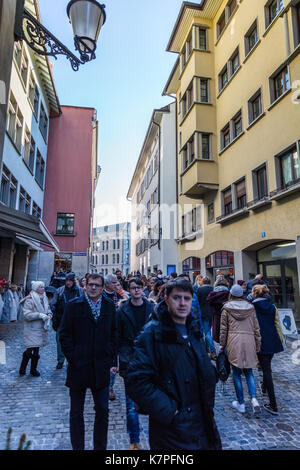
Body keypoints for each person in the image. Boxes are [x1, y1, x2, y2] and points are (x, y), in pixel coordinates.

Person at [125, 278, 221, 450]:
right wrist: (169, 410)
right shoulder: (152, 333)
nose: (182, 303)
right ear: (167, 300)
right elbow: (135, 380)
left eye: (187, 298)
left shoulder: (193, 329)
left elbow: (193, 366)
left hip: (201, 420)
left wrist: (213, 373)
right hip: (172, 430)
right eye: (177, 298)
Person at [59, 274, 117, 450]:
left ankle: (100, 447)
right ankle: (78, 447)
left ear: (102, 287)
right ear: (85, 286)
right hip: (79, 367)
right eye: (90, 284)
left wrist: (110, 357)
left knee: (103, 411)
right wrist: (74, 356)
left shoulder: (108, 306)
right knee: (76, 412)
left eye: (97, 285)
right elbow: (64, 334)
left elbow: (115, 333)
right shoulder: (73, 306)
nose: (93, 288)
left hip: (100, 367)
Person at [117, 277, 155, 450]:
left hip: (150, 361)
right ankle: (134, 440)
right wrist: (116, 360)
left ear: (143, 289)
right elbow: (116, 337)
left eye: (139, 287)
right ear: (129, 290)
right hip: (129, 360)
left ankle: (156, 438)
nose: (136, 290)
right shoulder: (122, 310)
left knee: (152, 402)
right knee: (131, 404)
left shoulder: (151, 308)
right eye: (133, 288)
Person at [219, 284, 261, 414]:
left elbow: (223, 329)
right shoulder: (251, 308)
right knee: (249, 372)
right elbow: (256, 328)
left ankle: (241, 403)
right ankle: (254, 399)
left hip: (233, 341)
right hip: (249, 341)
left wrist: (222, 344)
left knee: (236, 373)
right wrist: (257, 345)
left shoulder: (226, 308)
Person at [252, 284, 284, 415]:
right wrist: (280, 340)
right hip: (273, 340)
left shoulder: (252, 307)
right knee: (267, 367)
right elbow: (277, 324)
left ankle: (273, 404)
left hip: (261, 341)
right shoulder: (272, 306)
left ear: (255, 293)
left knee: (266, 371)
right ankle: (264, 387)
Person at [19, 281, 52, 377]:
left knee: (37, 350)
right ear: (36, 288)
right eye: (41, 287)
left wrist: (49, 313)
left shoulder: (44, 297)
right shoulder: (30, 299)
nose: (43, 288)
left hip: (41, 328)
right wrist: (39, 315)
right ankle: (22, 369)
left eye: (43, 287)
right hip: (32, 328)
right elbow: (26, 315)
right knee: (29, 351)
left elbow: (48, 308)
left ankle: (33, 370)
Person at [51, 272, 82, 370]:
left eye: (70, 281)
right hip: (61, 320)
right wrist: (55, 316)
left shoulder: (79, 291)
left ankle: (71, 360)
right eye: (66, 281)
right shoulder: (60, 290)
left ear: (73, 281)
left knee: (74, 341)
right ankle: (60, 360)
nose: (68, 283)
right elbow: (53, 304)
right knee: (60, 340)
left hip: (75, 321)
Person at [104, 274, 123, 401]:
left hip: (116, 333)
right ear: (107, 284)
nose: (117, 285)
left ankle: (110, 387)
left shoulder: (120, 296)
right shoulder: (102, 296)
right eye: (114, 283)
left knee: (113, 362)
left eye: (117, 282)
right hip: (104, 333)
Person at [197, 277, 216, 360]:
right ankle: (206, 350)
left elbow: (197, 301)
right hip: (211, 312)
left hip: (203, 313)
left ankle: (213, 350)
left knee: (207, 332)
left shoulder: (199, 290)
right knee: (209, 331)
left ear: (203, 282)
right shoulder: (213, 289)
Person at [207, 276, 230, 344]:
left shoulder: (212, 294)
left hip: (216, 315)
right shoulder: (228, 293)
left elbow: (209, 303)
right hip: (227, 316)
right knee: (226, 334)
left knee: (218, 335)